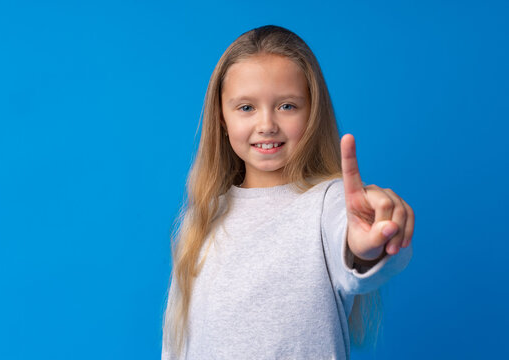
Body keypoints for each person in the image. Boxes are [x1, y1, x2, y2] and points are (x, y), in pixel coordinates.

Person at [161, 24, 414, 360]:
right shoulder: (203, 218)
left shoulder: (328, 204)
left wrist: (368, 245)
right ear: (221, 117)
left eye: (287, 106)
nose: (267, 124)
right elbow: (179, 346)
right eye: (246, 107)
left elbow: (355, 249)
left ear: (312, 113)